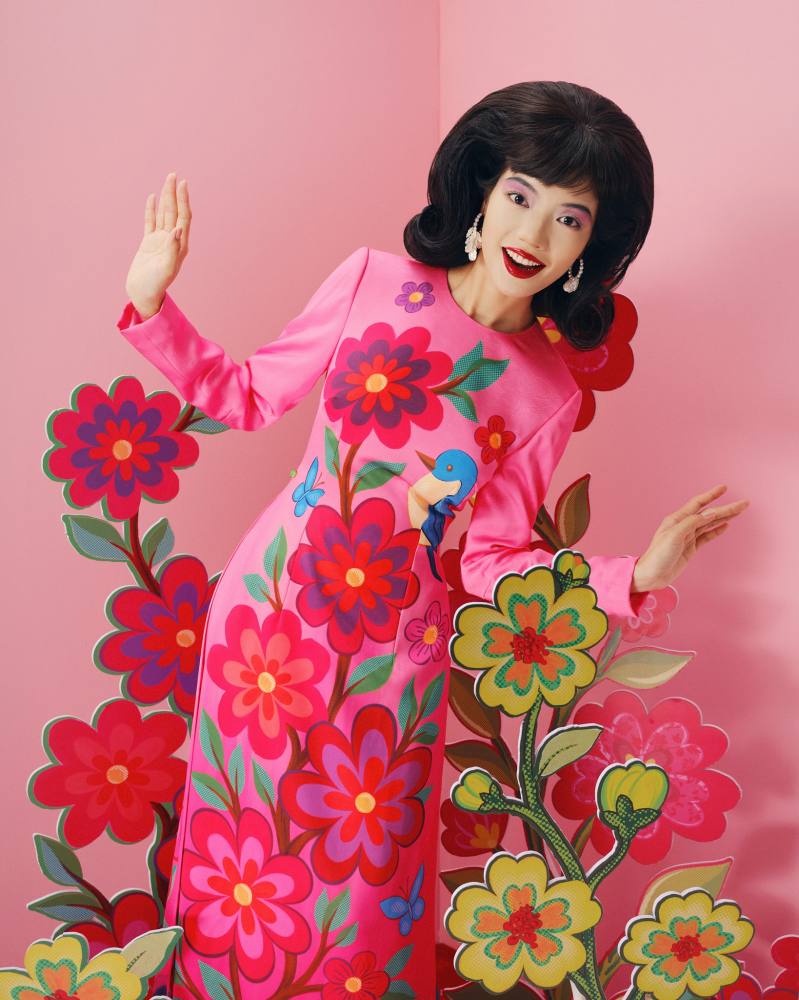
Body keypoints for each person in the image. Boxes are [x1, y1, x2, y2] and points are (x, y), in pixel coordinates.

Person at [118, 80, 748, 999]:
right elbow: (244, 397)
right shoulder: (370, 282)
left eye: (569, 218)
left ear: (590, 245)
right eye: (520, 195)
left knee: (365, 870)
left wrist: (631, 575)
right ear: (481, 189)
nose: (533, 233)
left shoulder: (547, 393)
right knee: (239, 855)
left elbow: (491, 560)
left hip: (394, 655)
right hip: (271, 620)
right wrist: (153, 304)